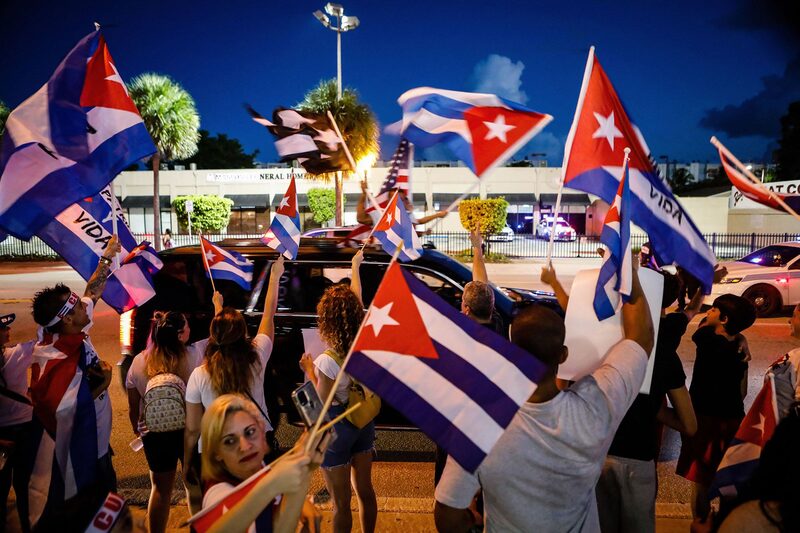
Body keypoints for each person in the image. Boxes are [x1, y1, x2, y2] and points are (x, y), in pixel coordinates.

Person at [434, 265, 655, 532]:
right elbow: (641, 338)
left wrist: (472, 521)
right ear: (563, 355)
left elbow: (447, 516)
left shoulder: (480, 424)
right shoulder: (595, 407)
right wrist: (628, 272)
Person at [28, 235, 121, 531]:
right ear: (67, 320)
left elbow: (92, 291)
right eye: (78, 307)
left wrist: (107, 256)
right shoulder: (53, 358)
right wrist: (101, 383)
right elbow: (58, 411)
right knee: (95, 521)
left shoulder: (67, 331)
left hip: (99, 445)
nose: (85, 306)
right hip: (84, 456)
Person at [595, 272, 699, 533]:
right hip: (637, 457)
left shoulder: (605, 342)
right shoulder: (665, 354)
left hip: (598, 452)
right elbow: (689, 425)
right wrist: (657, 411)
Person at [183, 256, 284, 511]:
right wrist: (274, 278)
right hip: (253, 447)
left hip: (216, 453)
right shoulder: (256, 358)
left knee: (224, 515)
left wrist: (187, 462)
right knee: (257, 512)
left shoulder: (199, 375)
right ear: (244, 333)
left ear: (212, 335)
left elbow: (193, 429)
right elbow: (268, 316)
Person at [299, 251, 378, 533]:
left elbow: (318, 409)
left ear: (327, 321)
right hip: (363, 421)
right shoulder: (364, 341)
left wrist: (309, 372)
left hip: (338, 430)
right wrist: (355, 267)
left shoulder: (327, 362)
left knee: (341, 505)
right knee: (365, 491)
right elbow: (358, 300)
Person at [124, 311, 207, 533]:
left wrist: (138, 430)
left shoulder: (139, 361)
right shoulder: (195, 355)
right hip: (189, 430)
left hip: (155, 431)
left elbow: (134, 406)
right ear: (180, 335)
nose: (190, 329)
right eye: (187, 326)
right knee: (194, 486)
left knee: (160, 489)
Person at [677, 294, 756, 521]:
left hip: (704, 419)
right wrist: (740, 337)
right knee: (728, 476)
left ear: (724, 319)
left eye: (714, 310)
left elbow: (701, 326)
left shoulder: (705, 339)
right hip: (731, 420)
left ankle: (700, 523)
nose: (709, 312)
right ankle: (724, 522)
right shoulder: (739, 352)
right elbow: (743, 392)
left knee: (701, 480)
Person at [200, 394, 323, 533]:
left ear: (262, 432)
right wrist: (274, 484)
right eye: (229, 441)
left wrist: (304, 470)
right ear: (216, 453)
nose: (245, 446)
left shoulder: (259, 466)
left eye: (250, 432)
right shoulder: (218, 494)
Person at [0, 313, 36, 532]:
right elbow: (45, 338)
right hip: (22, 431)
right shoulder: (16, 355)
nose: (8, 331)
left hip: (2, 438)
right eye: (3, 329)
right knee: (25, 487)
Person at [356, 180, 447, 227]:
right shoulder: (380, 214)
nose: (398, 202)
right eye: (395, 199)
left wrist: (438, 215)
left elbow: (419, 221)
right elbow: (361, 218)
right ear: (388, 201)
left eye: (401, 199)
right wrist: (364, 194)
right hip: (384, 254)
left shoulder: (406, 215)